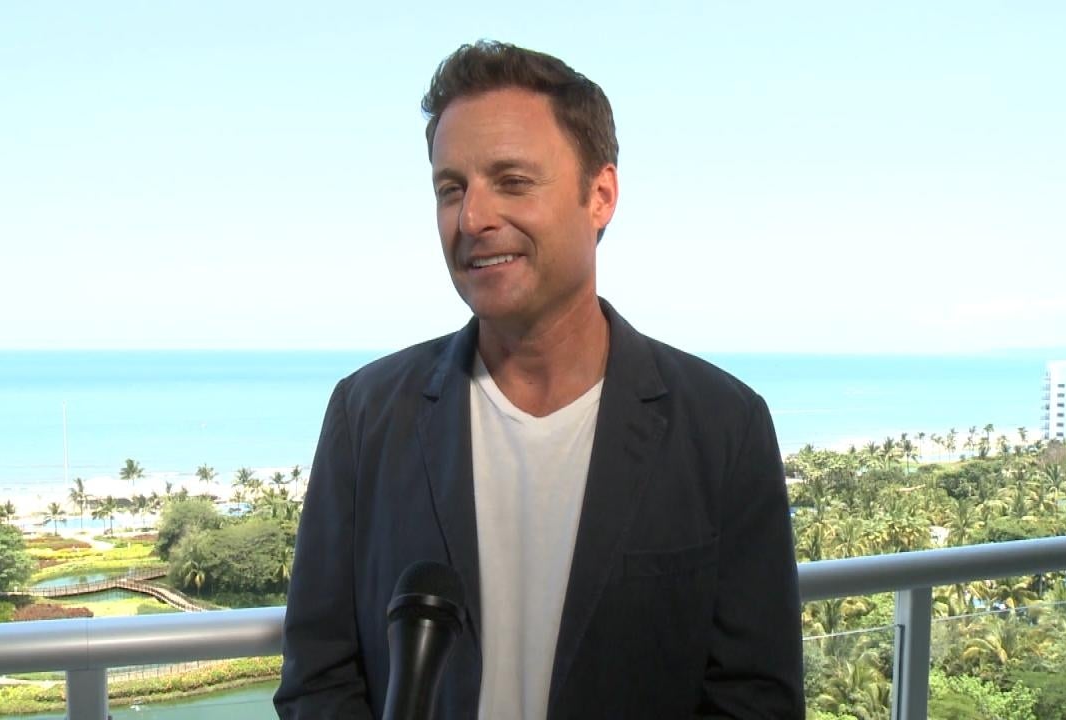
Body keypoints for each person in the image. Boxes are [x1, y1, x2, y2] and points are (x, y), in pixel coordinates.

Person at [275, 40, 804, 719]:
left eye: (513, 181)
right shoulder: (367, 415)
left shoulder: (722, 428)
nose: (473, 218)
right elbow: (318, 676)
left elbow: (754, 698)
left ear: (600, 196)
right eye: (451, 188)